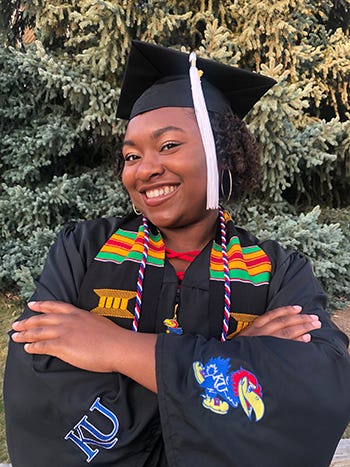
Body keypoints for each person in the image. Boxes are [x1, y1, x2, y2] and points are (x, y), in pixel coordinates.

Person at [4, 40, 350, 467]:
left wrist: (115, 349)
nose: (144, 169)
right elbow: (39, 385)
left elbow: (316, 389)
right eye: (131, 155)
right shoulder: (85, 250)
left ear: (223, 155)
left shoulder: (276, 271)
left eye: (168, 146)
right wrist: (232, 358)